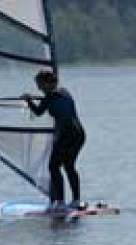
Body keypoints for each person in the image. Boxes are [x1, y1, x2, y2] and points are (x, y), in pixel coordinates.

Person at [22, 69, 85, 211]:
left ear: (48, 83)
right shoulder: (65, 92)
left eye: (40, 84)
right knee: (69, 166)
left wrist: (28, 100)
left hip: (67, 135)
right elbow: (54, 101)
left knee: (53, 166)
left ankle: (60, 202)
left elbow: (38, 112)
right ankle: (76, 201)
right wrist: (38, 98)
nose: (38, 88)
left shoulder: (49, 97)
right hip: (79, 134)